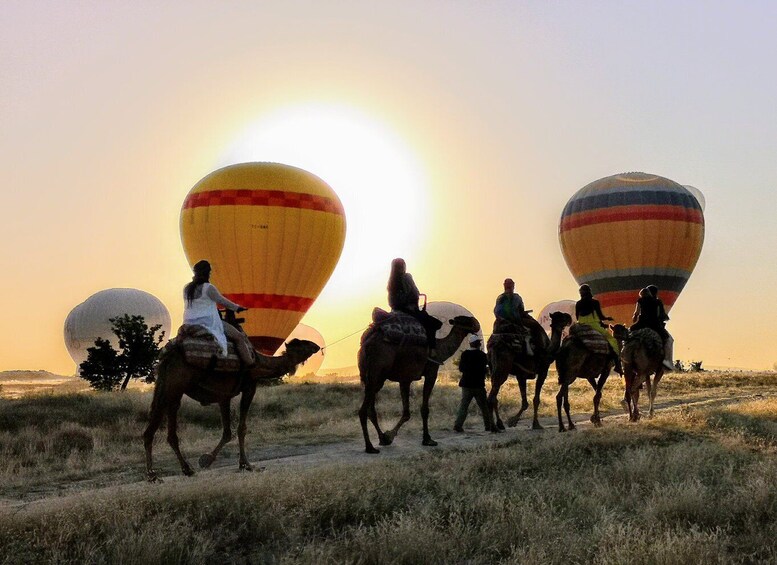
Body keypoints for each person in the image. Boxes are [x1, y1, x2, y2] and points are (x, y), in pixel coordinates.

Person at [183, 260, 255, 366]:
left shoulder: (187, 289)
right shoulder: (208, 288)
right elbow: (222, 301)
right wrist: (237, 308)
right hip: (209, 322)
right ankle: (250, 364)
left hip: (189, 323)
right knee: (239, 337)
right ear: (208, 273)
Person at [387, 258, 441, 356]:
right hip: (409, 311)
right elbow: (415, 293)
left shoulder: (391, 282)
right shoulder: (407, 277)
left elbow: (391, 301)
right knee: (433, 324)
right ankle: (432, 351)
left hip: (396, 311)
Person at [575, 284, 621, 373]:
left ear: (580, 293)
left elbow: (577, 317)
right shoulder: (595, 302)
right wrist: (607, 318)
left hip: (581, 326)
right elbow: (600, 316)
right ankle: (617, 364)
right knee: (612, 341)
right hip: (594, 325)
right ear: (589, 292)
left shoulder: (578, 303)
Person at [493, 278, 544, 355]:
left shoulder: (500, 298)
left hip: (501, 321)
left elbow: (497, 311)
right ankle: (540, 350)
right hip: (515, 320)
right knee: (535, 325)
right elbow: (519, 310)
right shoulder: (516, 298)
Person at [453, 335, 492, 433]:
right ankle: (488, 425)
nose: (479, 343)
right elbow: (485, 369)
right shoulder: (482, 355)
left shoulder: (465, 354)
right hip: (478, 385)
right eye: (478, 342)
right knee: (484, 406)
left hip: (466, 384)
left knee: (464, 406)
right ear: (476, 344)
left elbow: (461, 368)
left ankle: (458, 425)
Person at [631, 286, 673, 371]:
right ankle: (667, 361)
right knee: (668, 339)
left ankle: (623, 357)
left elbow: (636, 314)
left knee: (628, 335)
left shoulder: (640, 300)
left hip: (641, 324)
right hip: (654, 325)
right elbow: (660, 316)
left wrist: (634, 320)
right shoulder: (657, 302)